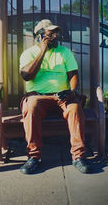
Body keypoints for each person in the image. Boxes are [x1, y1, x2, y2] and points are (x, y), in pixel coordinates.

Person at [19, 19, 91, 174]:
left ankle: (78, 157)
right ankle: (34, 157)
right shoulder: (28, 54)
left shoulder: (64, 52)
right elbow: (26, 75)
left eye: (56, 33)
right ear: (39, 36)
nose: (55, 37)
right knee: (31, 107)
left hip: (62, 95)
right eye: (50, 34)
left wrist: (71, 91)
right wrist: (42, 51)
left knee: (75, 108)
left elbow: (73, 75)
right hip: (37, 96)